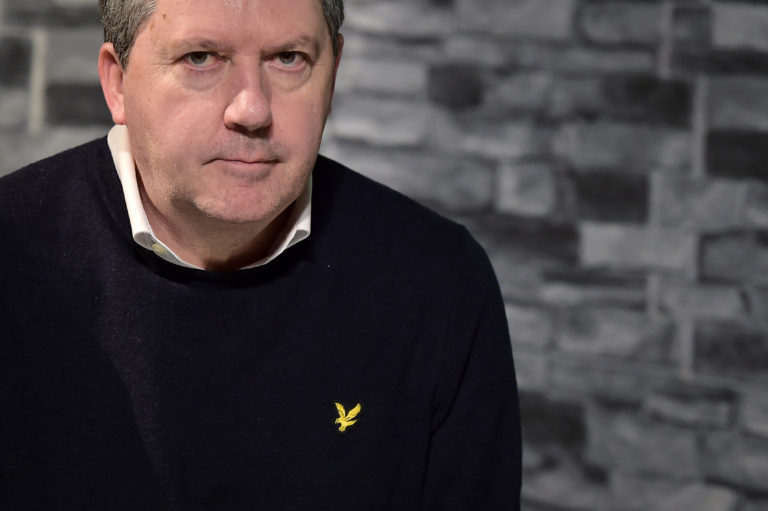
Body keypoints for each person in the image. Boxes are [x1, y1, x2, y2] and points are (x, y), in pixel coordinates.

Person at [0, 0, 521, 509]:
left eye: (288, 58)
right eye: (200, 58)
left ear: (333, 73)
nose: (251, 109)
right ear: (118, 83)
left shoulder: (437, 283)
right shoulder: (13, 252)